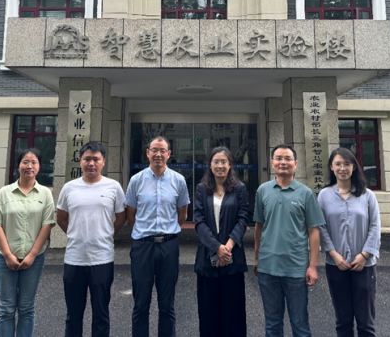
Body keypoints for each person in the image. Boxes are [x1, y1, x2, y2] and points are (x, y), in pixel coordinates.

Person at [253, 143, 326, 337]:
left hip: (296, 269)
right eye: (279, 158)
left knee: (300, 324)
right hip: (268, 267)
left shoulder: (306, 193)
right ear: (272, 163)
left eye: (287, 158)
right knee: (272, 324)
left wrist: (313, 266)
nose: (283, 162)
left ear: (295, 163)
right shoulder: (263, 191)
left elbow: (314, 231)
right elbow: (259, 226)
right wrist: (257, 258)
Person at [56, 141, 127, 337]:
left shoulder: (113, 187)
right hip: (74, 259)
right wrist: (75, 234)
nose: (91, 163)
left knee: (101, 314)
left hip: (102, 259)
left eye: (96, 159)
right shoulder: (69, 188)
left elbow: (121, 217)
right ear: (80, 161)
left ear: (103, 161)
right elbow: (61, 218)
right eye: (87, 159)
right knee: (73, 314)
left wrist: (106, 233)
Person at [125, 136, 190, 337]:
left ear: (169, 154)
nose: (158, 154)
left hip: (168, 246)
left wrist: (167, 231)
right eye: (154, 150)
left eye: (163, 151)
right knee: (140, 303)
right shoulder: (136, 180)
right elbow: (131, 214)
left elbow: (182, 215)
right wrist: (144, 232)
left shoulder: (178, 180)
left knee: (167, 304)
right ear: (148, 153)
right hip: (142, 247)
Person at [0, 148, 56, 337]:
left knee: (26, 307)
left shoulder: (45, 194)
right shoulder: (4, 193)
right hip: (4, 258)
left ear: (39, 167)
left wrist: (32, 255)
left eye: (34, 162)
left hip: (34, 259)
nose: (29, 166)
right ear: (18, 166)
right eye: (25, 162)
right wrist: (8, 255)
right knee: (6, 308)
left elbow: (47, 224)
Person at [318, 147, 381, 337]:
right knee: (343, 321)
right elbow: (321, 227)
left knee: (366, 323)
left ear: (354, 167)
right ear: (331, 167)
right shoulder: (324, 195)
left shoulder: (367, 195)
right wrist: (334, 255)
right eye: (338, 164)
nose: (342, 168)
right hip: (336, 265)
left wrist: (364, 255)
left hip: (364, 266)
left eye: (346, 164)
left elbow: (375, 226)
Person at [194, 146, 249, 337]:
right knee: (208, 313)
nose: (220, 165)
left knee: (233, 313)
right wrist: (217, 248)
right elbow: (199, 221)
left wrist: (228, 248)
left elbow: (243, 218)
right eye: (216, 161)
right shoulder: (201, 189)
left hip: (233, 259)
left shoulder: (239, 188)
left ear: (230, 165)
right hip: (207, 259)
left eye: (224, 162)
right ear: (210, 165)